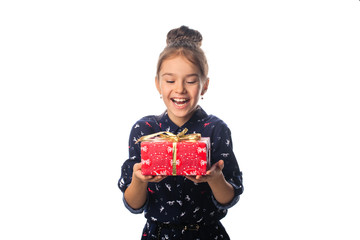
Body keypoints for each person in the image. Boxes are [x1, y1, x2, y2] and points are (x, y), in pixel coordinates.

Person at [118, 26, 244, 240]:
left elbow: (228, 198)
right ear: (158, 84)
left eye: (191, 81)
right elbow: (133, 204)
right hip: (157, 235)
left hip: (207, 235)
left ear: (204, 86)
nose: (180, 89)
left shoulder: (215, 129)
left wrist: (214, 178)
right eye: (170, 80)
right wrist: (139, 180)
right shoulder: (145, 130)